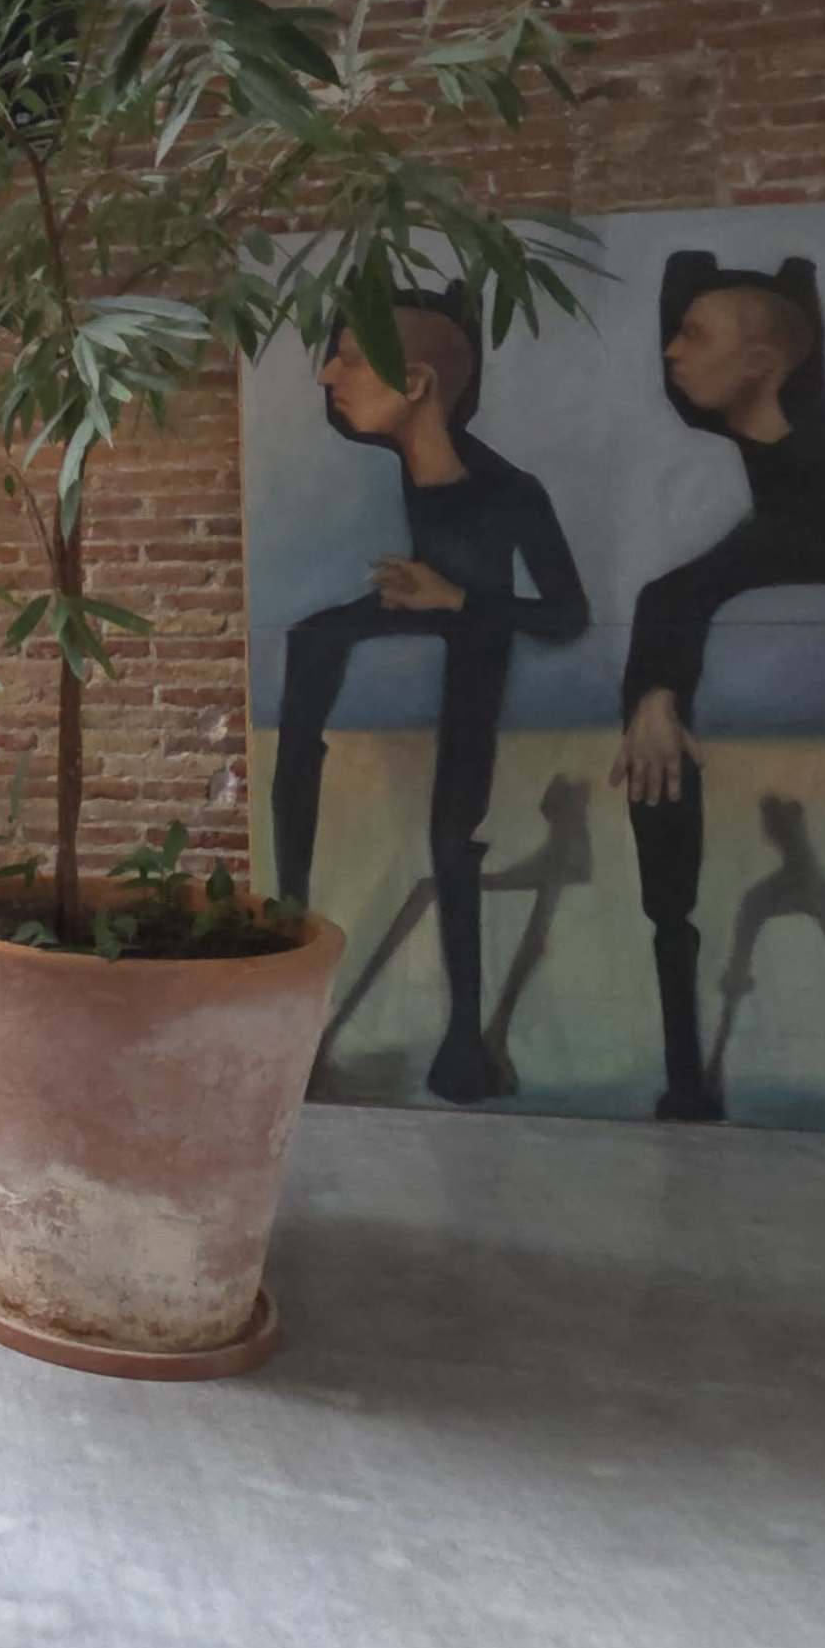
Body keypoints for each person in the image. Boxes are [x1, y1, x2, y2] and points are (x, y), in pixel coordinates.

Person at [611, 254, 825, 1127]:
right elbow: (673, 598)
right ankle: (688, 1078)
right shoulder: (772, 439)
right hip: (782, 532)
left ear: (763, 367)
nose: (669, 351)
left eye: (694, 337)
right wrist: (654, 700)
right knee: (668, 616)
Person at [271, 289, 588, 1105]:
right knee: (310, 640)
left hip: (473, 635)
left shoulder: (513, 492)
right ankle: (289, 916)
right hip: (429, 611)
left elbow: (564, 613)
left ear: (415, 384)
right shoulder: (414, 470)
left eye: (347, 358)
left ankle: (464, 1038)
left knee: (453, 832)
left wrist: (457, 603)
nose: (327, 375)